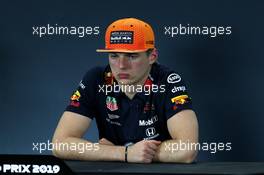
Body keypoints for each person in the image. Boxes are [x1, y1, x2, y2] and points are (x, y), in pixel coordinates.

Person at [52, 18, 199, 163]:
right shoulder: (96, 79)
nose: (121, 65)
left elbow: (187, 149)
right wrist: (124, 153)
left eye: (132, 56)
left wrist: (115, 152)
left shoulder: (168, 81)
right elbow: (60, 144)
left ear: (152, 56)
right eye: (114, 55)